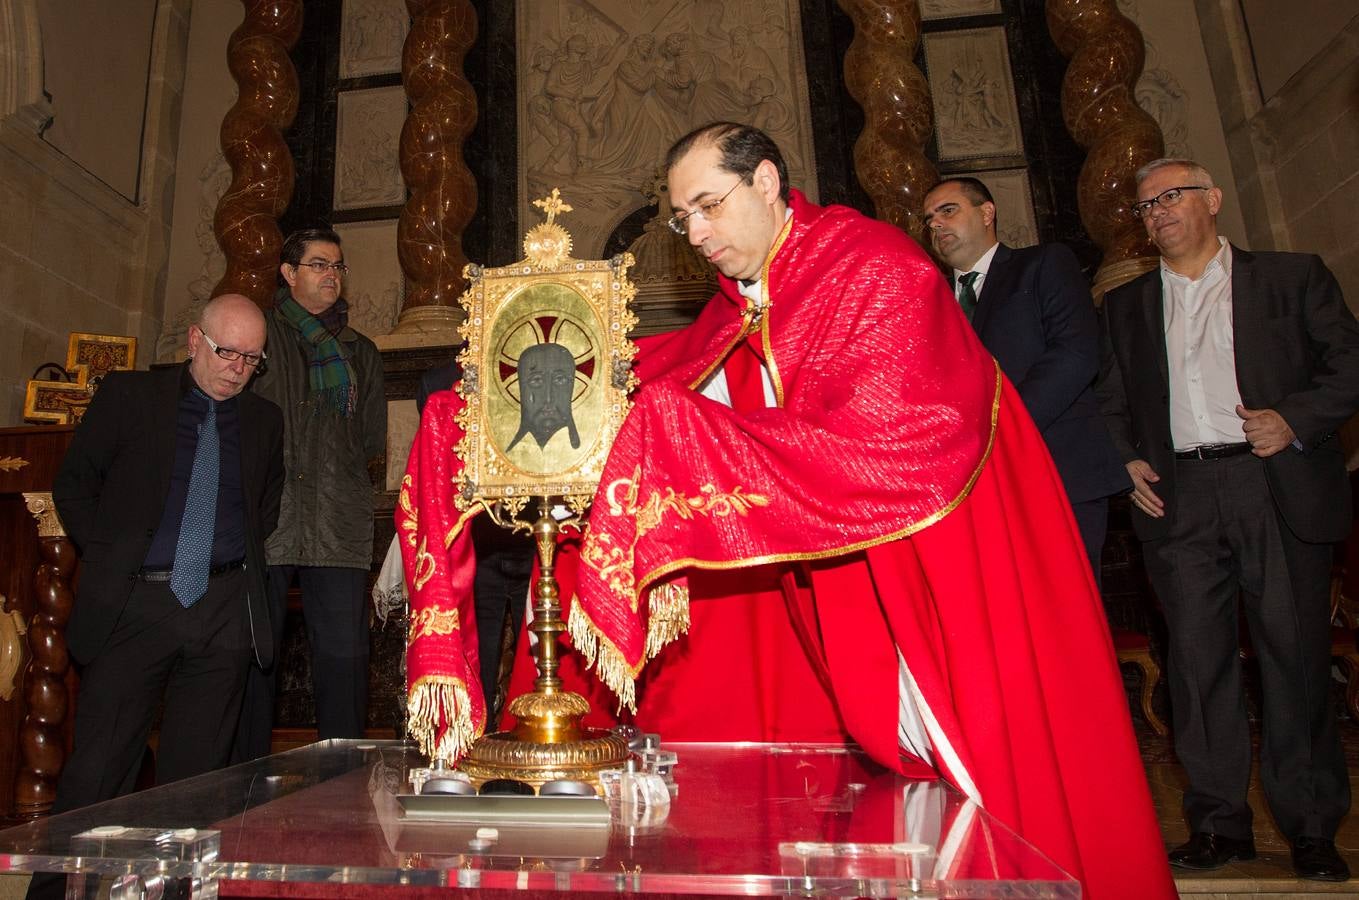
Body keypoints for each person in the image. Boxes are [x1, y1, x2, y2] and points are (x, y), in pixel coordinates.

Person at [399, 123, 1175, 900]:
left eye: (707, 206)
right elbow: (680, 375)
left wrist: (679, 435)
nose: (696, 234)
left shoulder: (873, 267)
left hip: (946, 565)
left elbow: (896, 440)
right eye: (682, 219)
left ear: (766, 181)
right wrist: (507, 408)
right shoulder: (753, 290)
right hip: (849, 568)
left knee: (990, 766)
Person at [1097, 157, 1359, 882]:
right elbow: (1109, 403)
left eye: (1170, 196)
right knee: (1195, 665)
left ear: (1212, 199)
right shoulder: (1126, 307)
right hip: (1177, 498)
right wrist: (1122, 460)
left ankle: (1309, 828)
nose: (1156, 212)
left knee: (1292, 659)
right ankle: (1217, 824)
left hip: (1270, 484)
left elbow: (1349, 362)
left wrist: (1294, 419)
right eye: (1146, 205)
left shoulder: (1290, 277)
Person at [45, 293, 283, 809]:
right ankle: (59, 888)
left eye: (251, 359)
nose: (238, 369)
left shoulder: (265, 421)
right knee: (98, 773)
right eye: (227, 353)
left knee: (196, 787)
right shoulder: (130, 396)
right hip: (136, 604)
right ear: (196, 340)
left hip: (222, 614)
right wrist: (113, 554)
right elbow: (75, 485)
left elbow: (265, 509)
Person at [921, 177, 1128, 579]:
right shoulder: (933, 304)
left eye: (948, 211)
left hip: (1058, 469)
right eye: (929, 220)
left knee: (1070, 613)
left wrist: (1001, 425)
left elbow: (1076, 354)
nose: (937, 226)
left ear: (986, 213)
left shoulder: (1043, 264)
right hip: (977, 491)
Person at [233, 227, 386, 761]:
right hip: (267, 518)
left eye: (338, 267)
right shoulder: (258, 337)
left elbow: (369, 439)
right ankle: (244, 778)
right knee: (255, 655)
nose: (331, 275)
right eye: (320, 264)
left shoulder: (359, 352)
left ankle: (343, 778)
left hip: (337, 521)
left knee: (344, 657)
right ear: (288, 273)